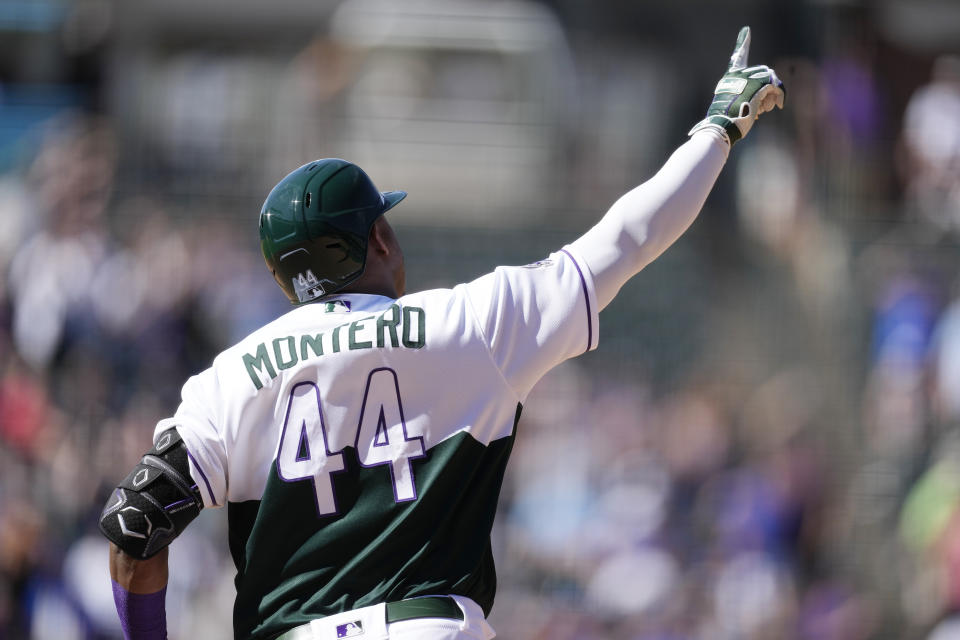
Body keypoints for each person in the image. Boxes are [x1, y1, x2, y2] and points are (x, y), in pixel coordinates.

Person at [99, 26, 784, 640]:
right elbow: (630, 237)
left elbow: (136, 521)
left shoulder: (230, 377)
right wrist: (720, 126)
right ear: (380, 236)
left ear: (283, 279)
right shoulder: (472, 321)